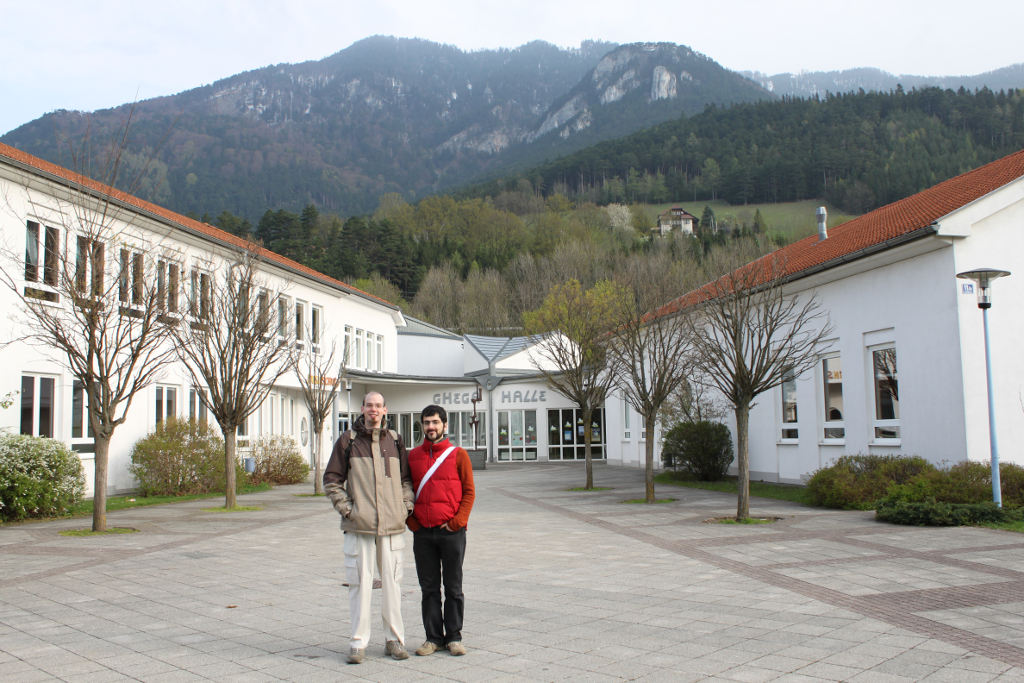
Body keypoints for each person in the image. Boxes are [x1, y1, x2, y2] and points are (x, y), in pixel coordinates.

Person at [324, 391, 413, 664]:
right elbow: (332, 480)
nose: (373, 410)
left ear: (385, 410)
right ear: (362, 408)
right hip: (359, 525)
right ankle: (358, 643)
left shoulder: (395, 440)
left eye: (378, 406)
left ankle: (394, 640)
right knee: (360, 584)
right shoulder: (347, 441)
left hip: (391, 525)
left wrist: (405, 507)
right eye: (369, 405)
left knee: (392, 583)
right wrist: (347, 509)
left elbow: (407, 480)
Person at [406, 404, 476, 657]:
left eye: (435, 422)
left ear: (445, 425)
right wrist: (411, 523)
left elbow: (469, 492)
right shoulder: (412, 456)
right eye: (426, 422)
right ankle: (433, 638)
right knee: (429, 589)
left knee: (454, 587)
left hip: (451, 532)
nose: (431, 427)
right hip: (423, 533)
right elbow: (404, 492)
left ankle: (454, 637)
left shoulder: (458, 455)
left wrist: (457, 522)